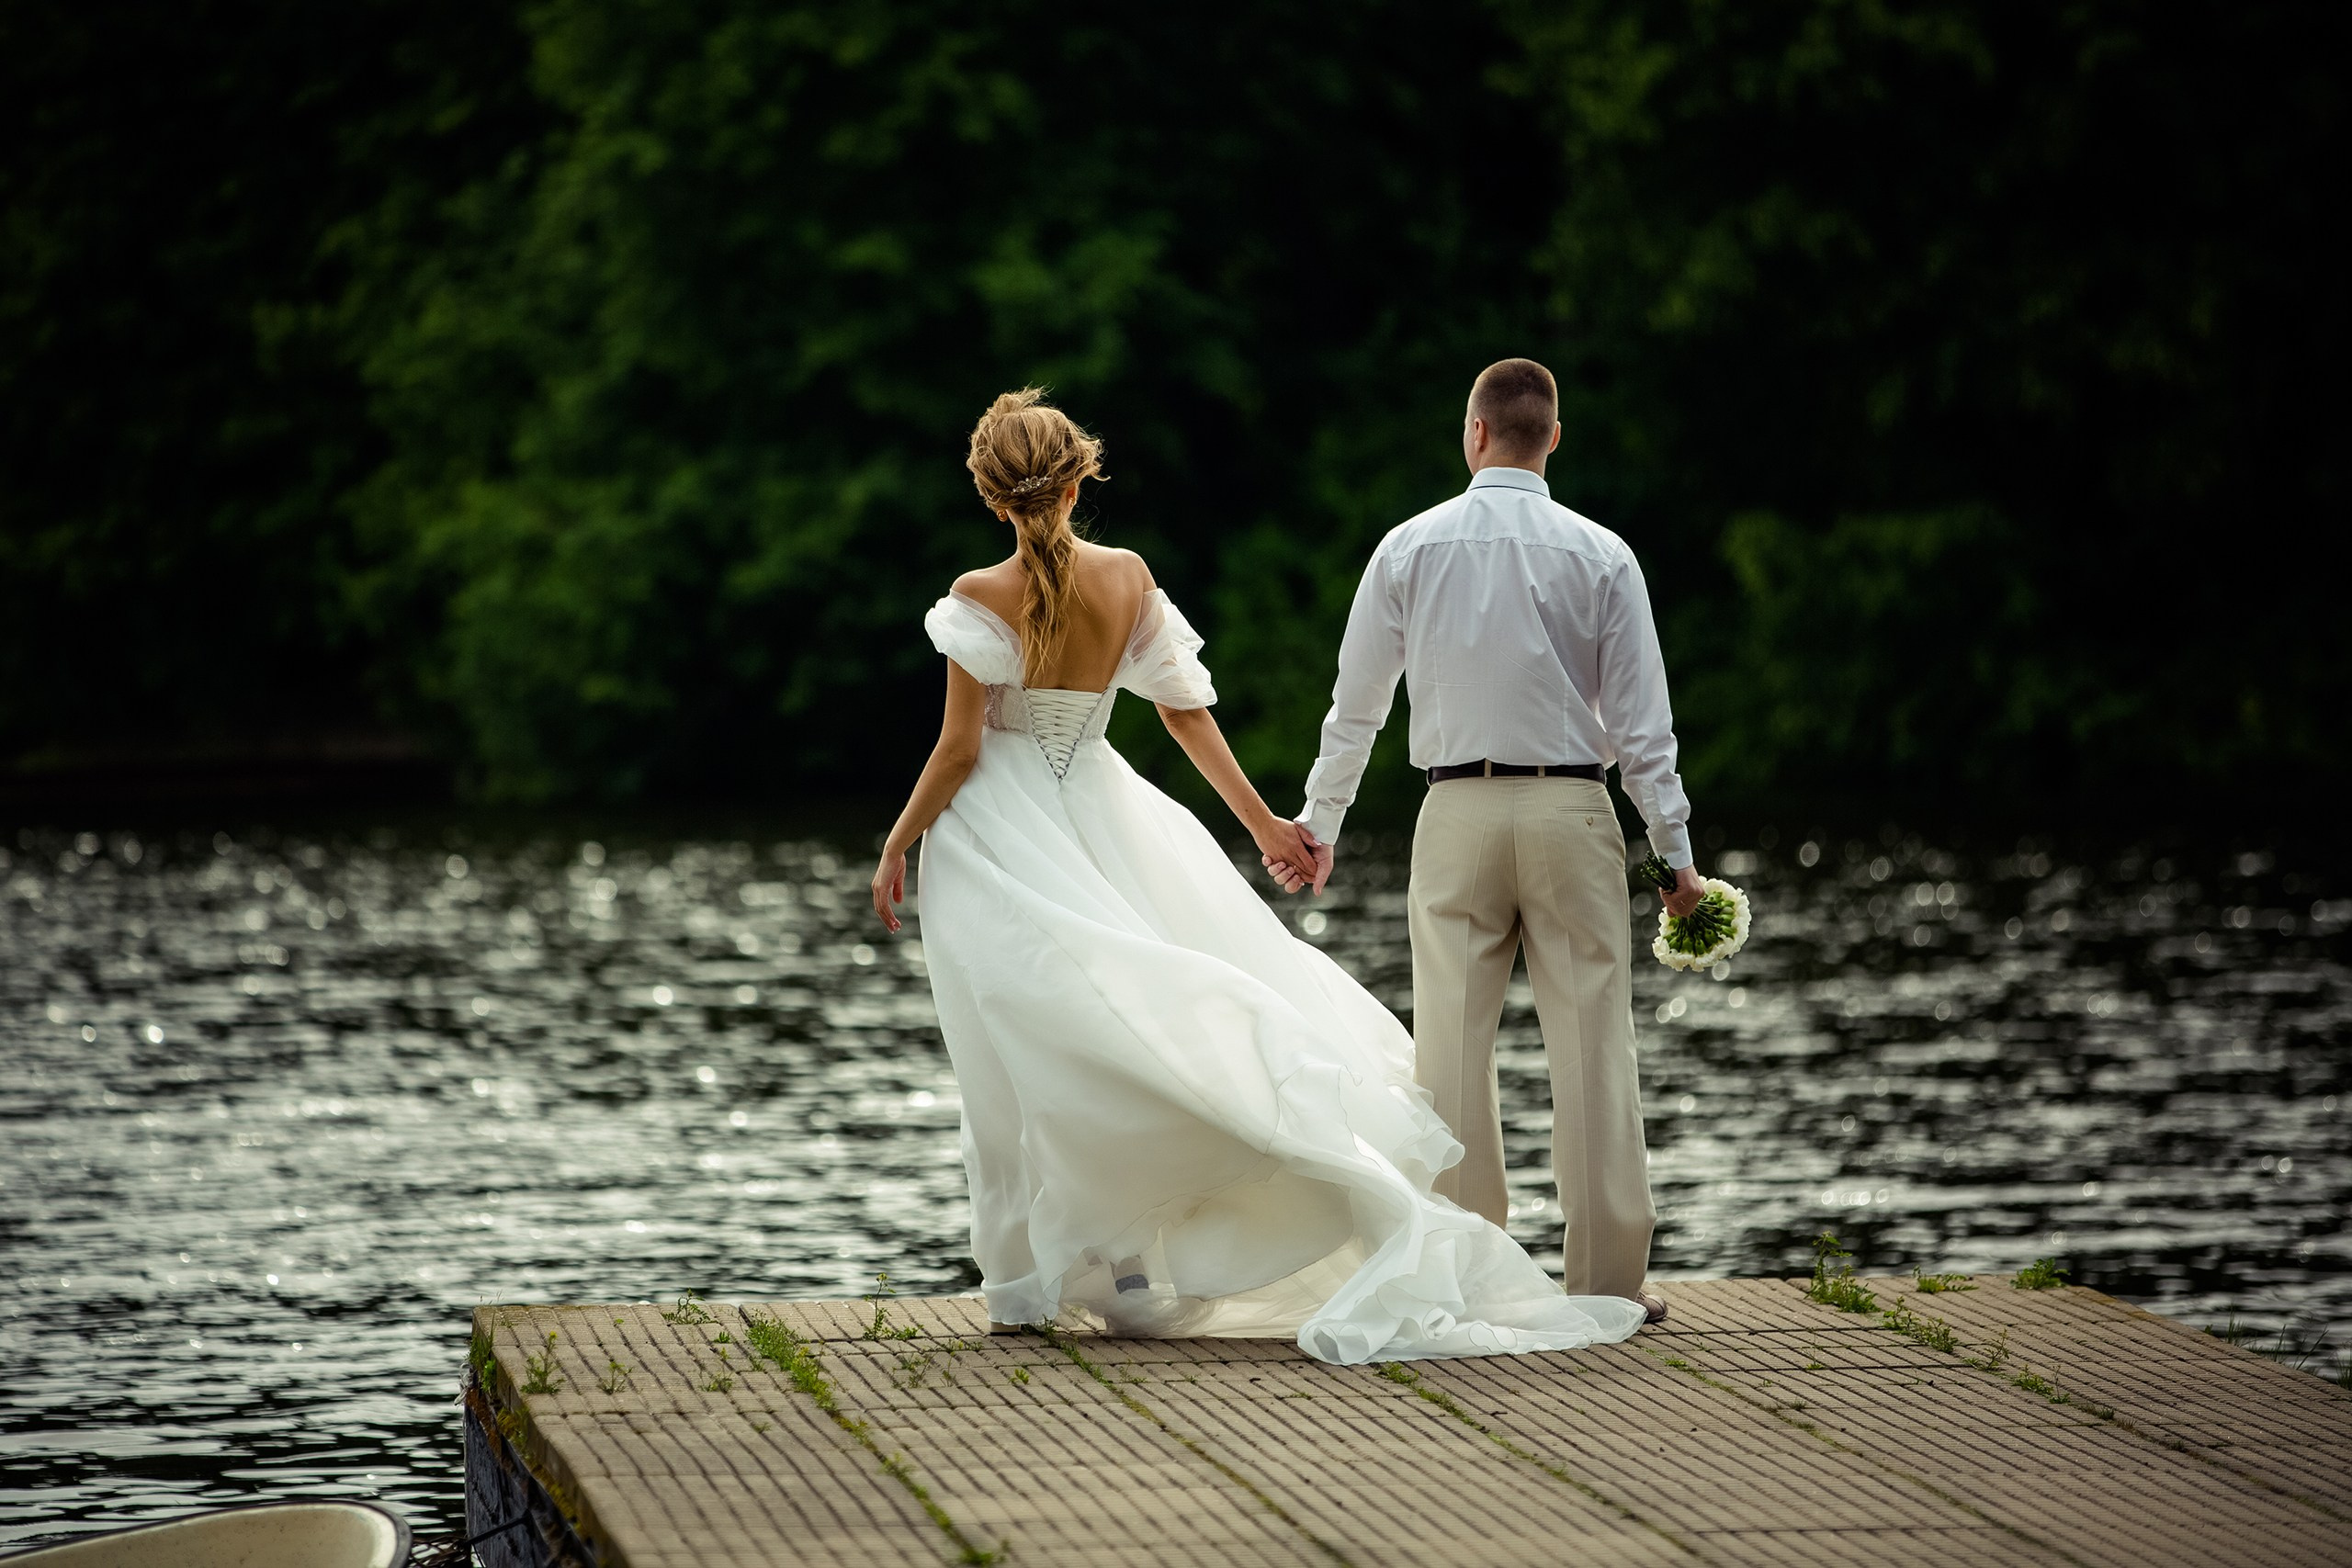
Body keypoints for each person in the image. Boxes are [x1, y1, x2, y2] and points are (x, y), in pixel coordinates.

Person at [868, 388, 1645, 1362]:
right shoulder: (1129, 578)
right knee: (1139, 1034)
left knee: (1021, 1055)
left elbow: (955, 750)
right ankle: (1126, 1269)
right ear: (1080, 480)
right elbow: (1184, 714)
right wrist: (1267, 824)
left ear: (992, 498)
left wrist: (900, 841)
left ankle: (1029, 1285)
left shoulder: (978, 595)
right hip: (1109, 817)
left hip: (1002, 836)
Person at [1283, 357, 1701, 1324]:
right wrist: (1673, 859)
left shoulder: (1405, 548)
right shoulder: (1603, 554)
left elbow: (1356, 710)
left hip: (1455, 814)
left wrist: (1322, 825)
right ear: (1551, 437)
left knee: (1450, 1052)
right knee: (1592, 1045)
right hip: (1571, 811)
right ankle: (1604, 1284)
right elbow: (1644, 732)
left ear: (1473, 434)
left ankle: (1466, 1277)